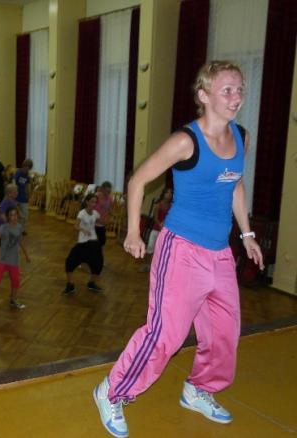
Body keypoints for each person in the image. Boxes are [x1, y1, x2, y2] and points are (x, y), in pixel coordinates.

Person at [93, 61, 264, 438]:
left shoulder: (242, 137)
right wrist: (133, 232)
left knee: (224, 332)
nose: (236, 97)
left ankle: (199, 389)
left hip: (220, 253)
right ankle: (112, 391)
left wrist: (247, 234)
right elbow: (138, 180)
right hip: (182, 251)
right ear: (204, 95)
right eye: (227, 90)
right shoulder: (186, 141)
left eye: (239, 89)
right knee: (165, 334)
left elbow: (235, 185)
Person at [62, 193, 104, 295]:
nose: (94, 204)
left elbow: (101, 222)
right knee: (70, 262)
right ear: (87, 202)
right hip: (82, 243)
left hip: (93, 242)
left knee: (98, 263)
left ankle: (91, 283)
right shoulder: (82, 213)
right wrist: (83, 230)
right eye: (92, 201)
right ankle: (70, 285)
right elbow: (75, 226)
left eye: (95, 202)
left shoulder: (95, 213)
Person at [139, 187, 173, 273]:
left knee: (161, 250)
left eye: (170, 193)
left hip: (165, 232)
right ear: (163, 194)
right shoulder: (158, 205)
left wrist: (165, 225)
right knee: (150, 248)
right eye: (167, 193)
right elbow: (155, 218)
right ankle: (146, 265)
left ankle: (156, 267)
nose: (169, 195)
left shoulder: (171, 207)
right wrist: (160, 225)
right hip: (156, 230)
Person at [13, 159, 32, 228]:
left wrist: (29, 195)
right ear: (24, 166)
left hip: (23, 197)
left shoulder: (27, 176)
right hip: (15, 196)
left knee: (25, 215)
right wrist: (14, 191)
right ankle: (15, 228)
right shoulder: (18, 172)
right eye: (27, 167)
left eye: (29, 168)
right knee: (15, 214)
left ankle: (21, 229)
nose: (27, 169)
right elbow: (13, 180)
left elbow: (28, 185)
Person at [94, 181, 113, 247]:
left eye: (109, 192)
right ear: (102, 189)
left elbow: (110, 209)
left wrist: (110, 218)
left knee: (102, 242)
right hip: (93, 223)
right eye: (107, 191)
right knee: (92, 242)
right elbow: (90, 208)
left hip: (102, 224)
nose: (108, 193)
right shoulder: (96, 196)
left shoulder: (110, 198)